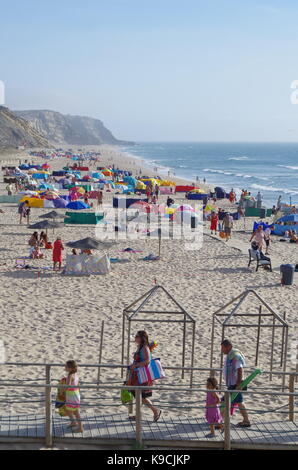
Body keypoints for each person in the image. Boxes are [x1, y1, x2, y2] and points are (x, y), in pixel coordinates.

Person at [127, 330, 161, 422]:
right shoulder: (140, 347)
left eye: (137, 336)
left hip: (142, 376)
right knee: (138, 396)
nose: (135, 338)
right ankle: (138, 415)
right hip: (137, 376)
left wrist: (136, 365)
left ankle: (155, 411)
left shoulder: (144, 348)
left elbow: (147, 361)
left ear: (142, 338)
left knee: (142, 397)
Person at [221, 339, 251, 427]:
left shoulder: (235, 356)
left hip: (235, 384)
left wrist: (238, 384)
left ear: (228, 347)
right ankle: (245, 420)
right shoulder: (230, 355)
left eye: (223, 348)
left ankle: (221, 421)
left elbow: (239, 369)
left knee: (226, 401)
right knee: (236, 401)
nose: (222, 350)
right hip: (232, 384)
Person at [63, 360, 83, 433]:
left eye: (66, 366)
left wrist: (62, 389)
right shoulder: (75, 374)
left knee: (75, 411)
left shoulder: (70, 375)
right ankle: (73, 422)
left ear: (70, 368)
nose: (65, 367)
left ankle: (80, 427)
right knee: (68, 409)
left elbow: (67, 386)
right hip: (75, 394)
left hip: (72, 395)